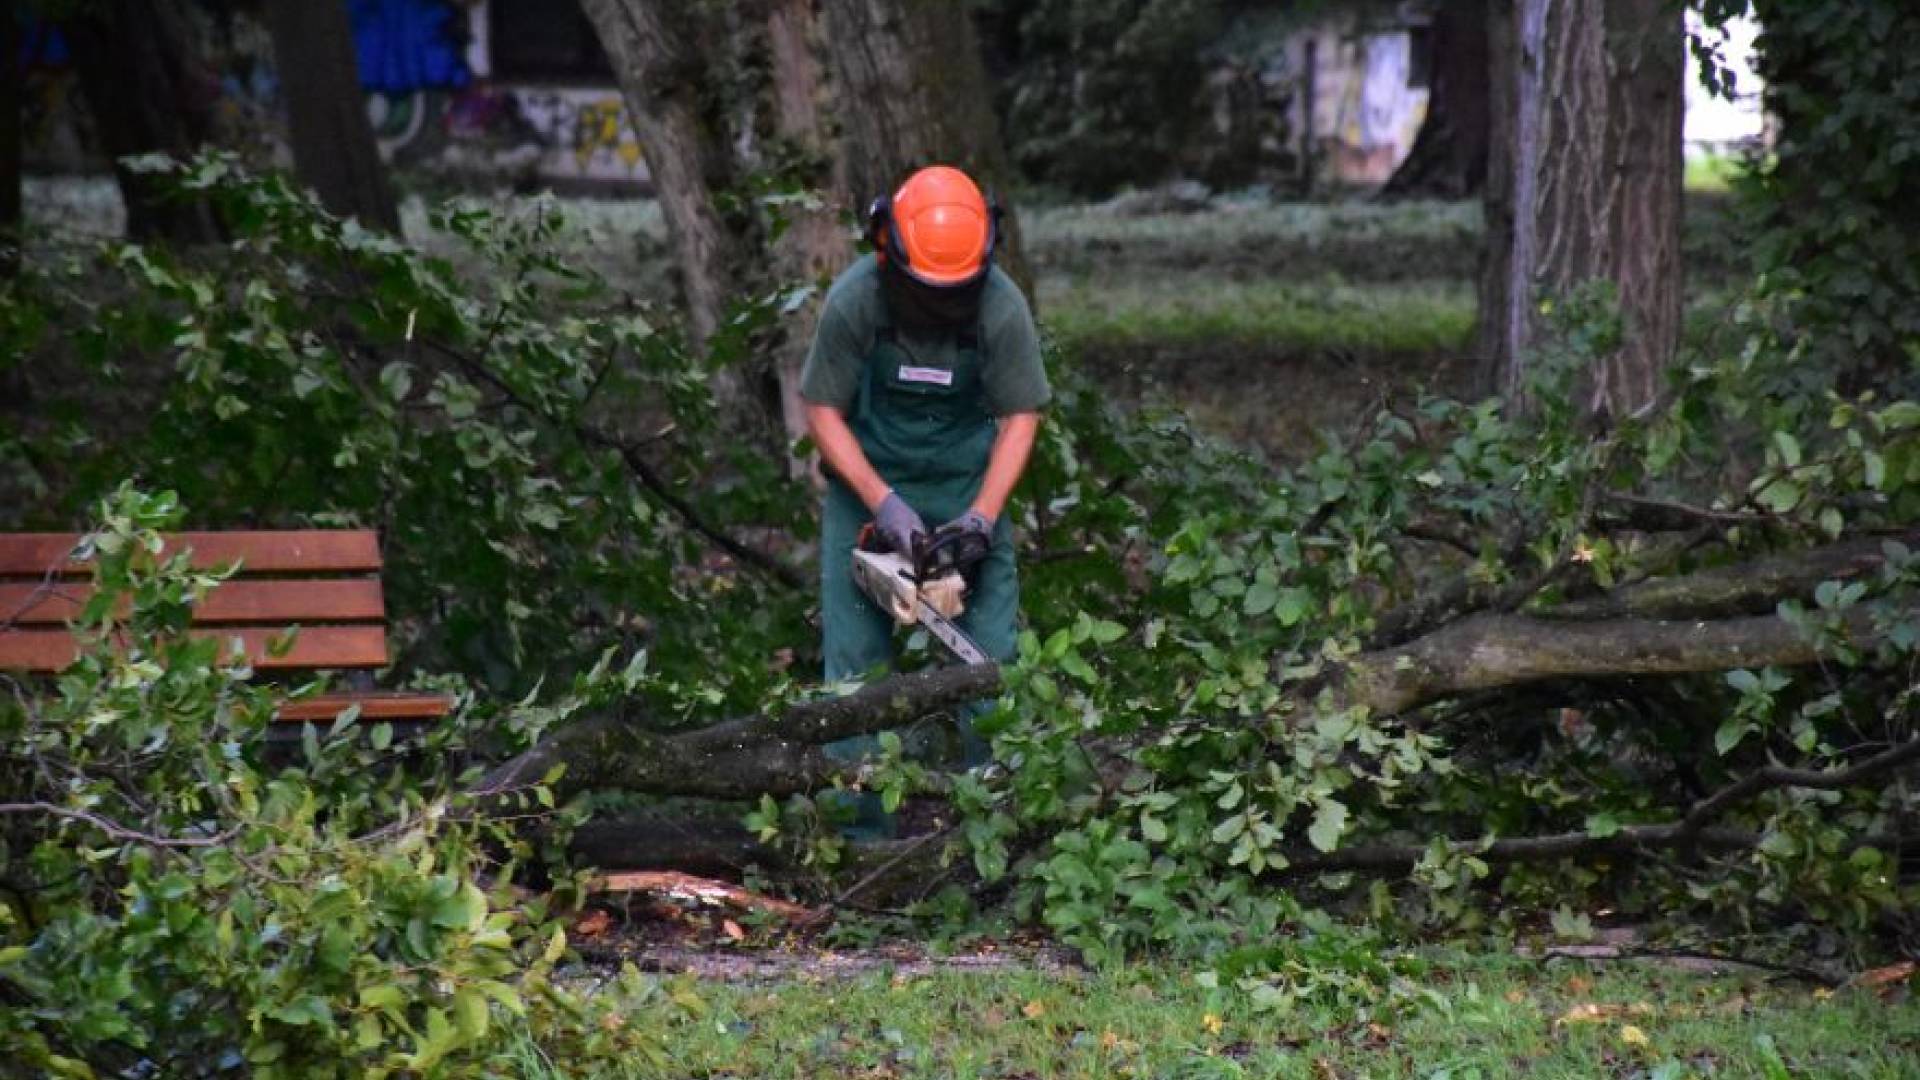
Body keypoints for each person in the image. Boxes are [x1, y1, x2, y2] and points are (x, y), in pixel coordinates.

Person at [799, 165, 1050, 827]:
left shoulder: (1000, 306)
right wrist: (883, 503)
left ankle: (991, 827)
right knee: (856, 677)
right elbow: (822, 409)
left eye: (954, 292)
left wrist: (981, 520)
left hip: (968, 487)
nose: (941, 304)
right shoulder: (856, 300)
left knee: (990, 663)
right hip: (867, 490)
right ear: (889, 249)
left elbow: (1020, 417)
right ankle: (860, 836)